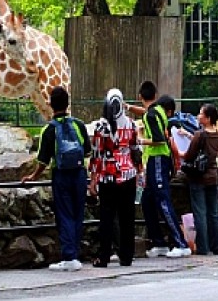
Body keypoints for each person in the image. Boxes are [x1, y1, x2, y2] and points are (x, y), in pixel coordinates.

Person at [22, 86, 91, 271]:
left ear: (51, 105)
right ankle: (74, 254)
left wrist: (33, 176)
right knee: (77, 214)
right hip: (79, 175)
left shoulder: (49, 129)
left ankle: (69, 257)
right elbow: (87, 152)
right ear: (68, 104)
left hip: (61, 175)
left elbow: (43, 160)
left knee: (65, 215)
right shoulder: (79, 125)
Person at [138, 83, 191, 258]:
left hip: (158, 158)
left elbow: (159, 140)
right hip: (157, 160)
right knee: (147, 200)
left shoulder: (151, 114)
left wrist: (140, 141)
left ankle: (180, 243)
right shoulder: (158, 111)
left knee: (163, 200)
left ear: (140, 96)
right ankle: (158, 241)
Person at [88, 88, 139, 268]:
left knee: (107, 218)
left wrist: (93, 180)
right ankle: (127, 256)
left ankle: (104, 257)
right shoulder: (132, 124)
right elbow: (136, 150)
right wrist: (139, 172)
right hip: (129, 175)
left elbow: (96, 154)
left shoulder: (102, 126)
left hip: (108, 176)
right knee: (127, 217)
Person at [179, 103, 218, 255]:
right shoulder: (216, 134)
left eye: (201, 114)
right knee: (214, 213)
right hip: (213, 176)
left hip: (198, 177)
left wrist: (176, 151)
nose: (198, 116)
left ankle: (203, 247)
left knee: (200, 213)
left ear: (208, 118)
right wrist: (187, 134)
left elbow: (189, 155)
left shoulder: (200, 134)